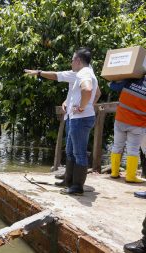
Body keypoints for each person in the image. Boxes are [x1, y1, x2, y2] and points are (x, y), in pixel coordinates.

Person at [25, 47, 99, 195]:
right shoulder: (85, 72)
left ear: (78, 60)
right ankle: (69, 181)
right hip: (77, 117)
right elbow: (96, 93)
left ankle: (77, 187)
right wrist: (77, 103)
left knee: (79, 153)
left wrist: (83, 107)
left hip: (80, 118)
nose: (71, 63)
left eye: (72, 60)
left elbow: (88, 90)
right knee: (71, 151)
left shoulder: (83, 73)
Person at [109, 75, 146, 183]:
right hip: (137, 124)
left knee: (117, 146)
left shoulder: (131, 79)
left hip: (121, 120)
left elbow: (113, 86)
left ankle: (114, 173)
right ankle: (130, 176)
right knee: (133, 150)